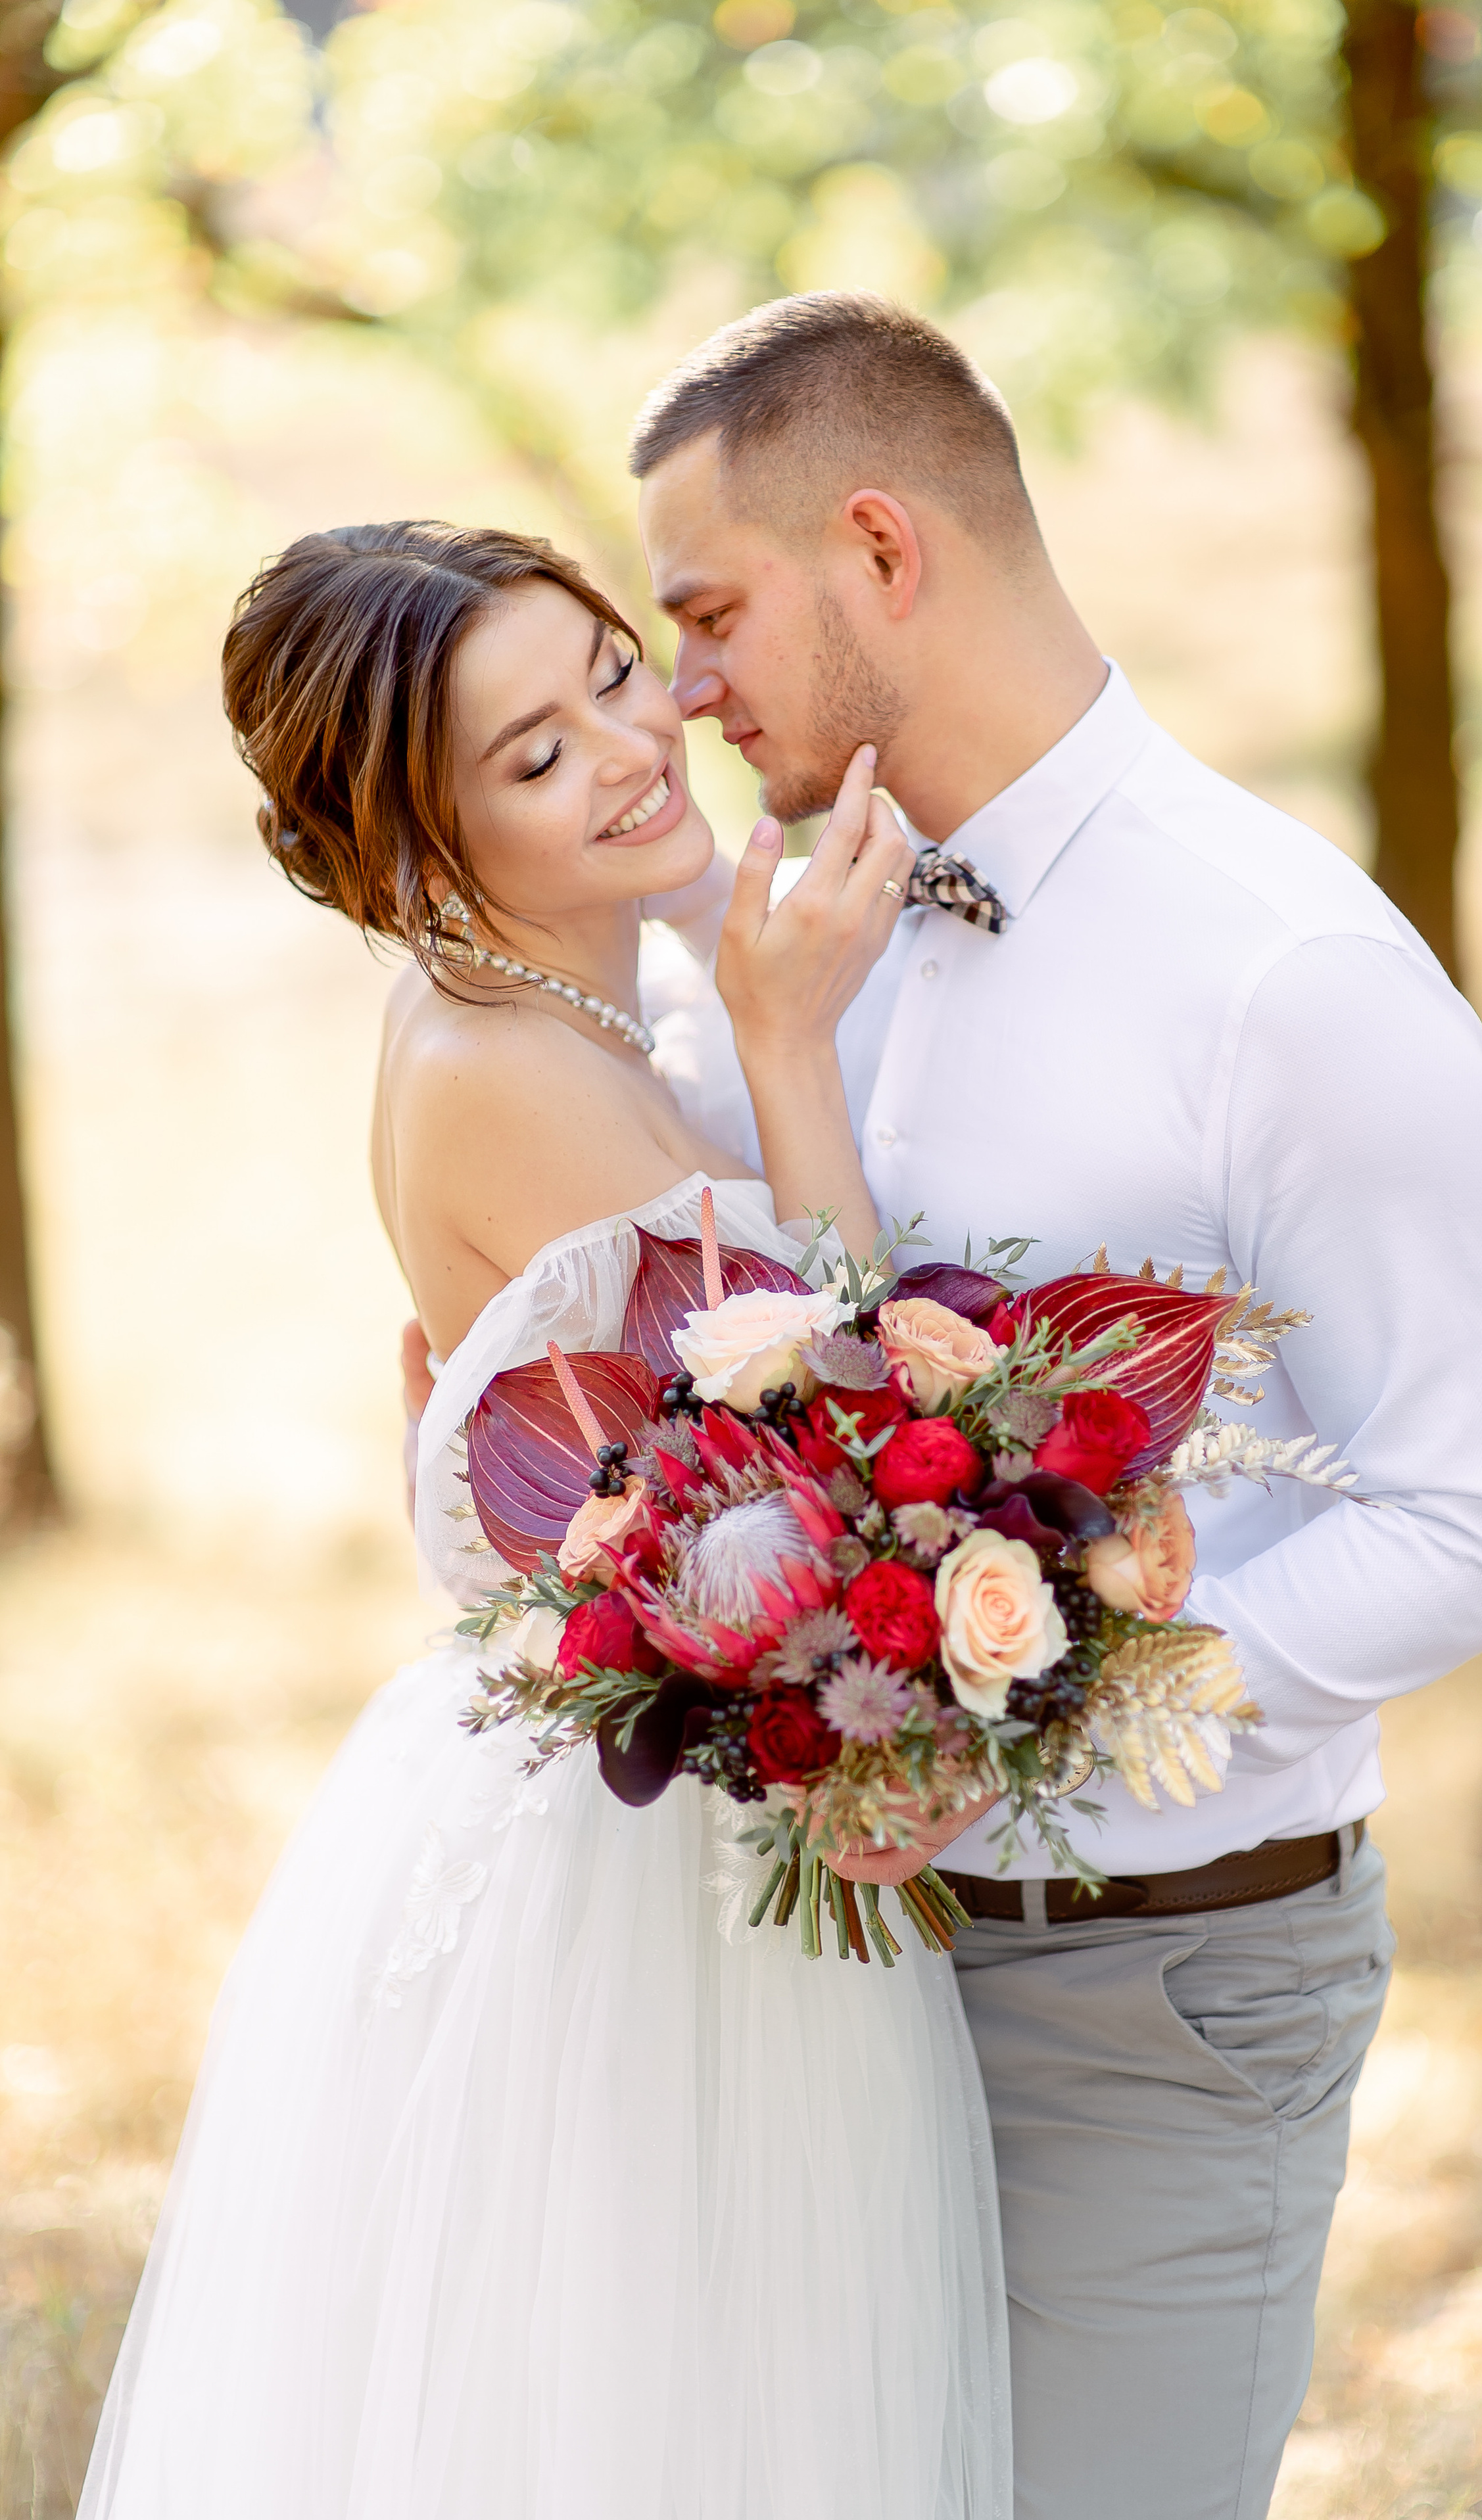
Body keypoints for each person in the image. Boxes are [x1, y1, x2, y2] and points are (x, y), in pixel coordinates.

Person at [617, 292, 1482, 2519]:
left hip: (1164, 2001)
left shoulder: (1289, 976)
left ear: (880, 548)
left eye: (711, 611)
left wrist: (1053, 1710)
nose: (683, 685)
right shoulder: (802, 954)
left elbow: (1473, 1515)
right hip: (842, 1993)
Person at [77, 522, 1011, 2520]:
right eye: (531, 755)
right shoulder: (505, 1062)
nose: (625, 743)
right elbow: (839, 1454)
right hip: (638, 1862)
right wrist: (790, 1037)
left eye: (605, 666)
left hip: (624, 1777)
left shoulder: (565, 994)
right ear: (419, 851)